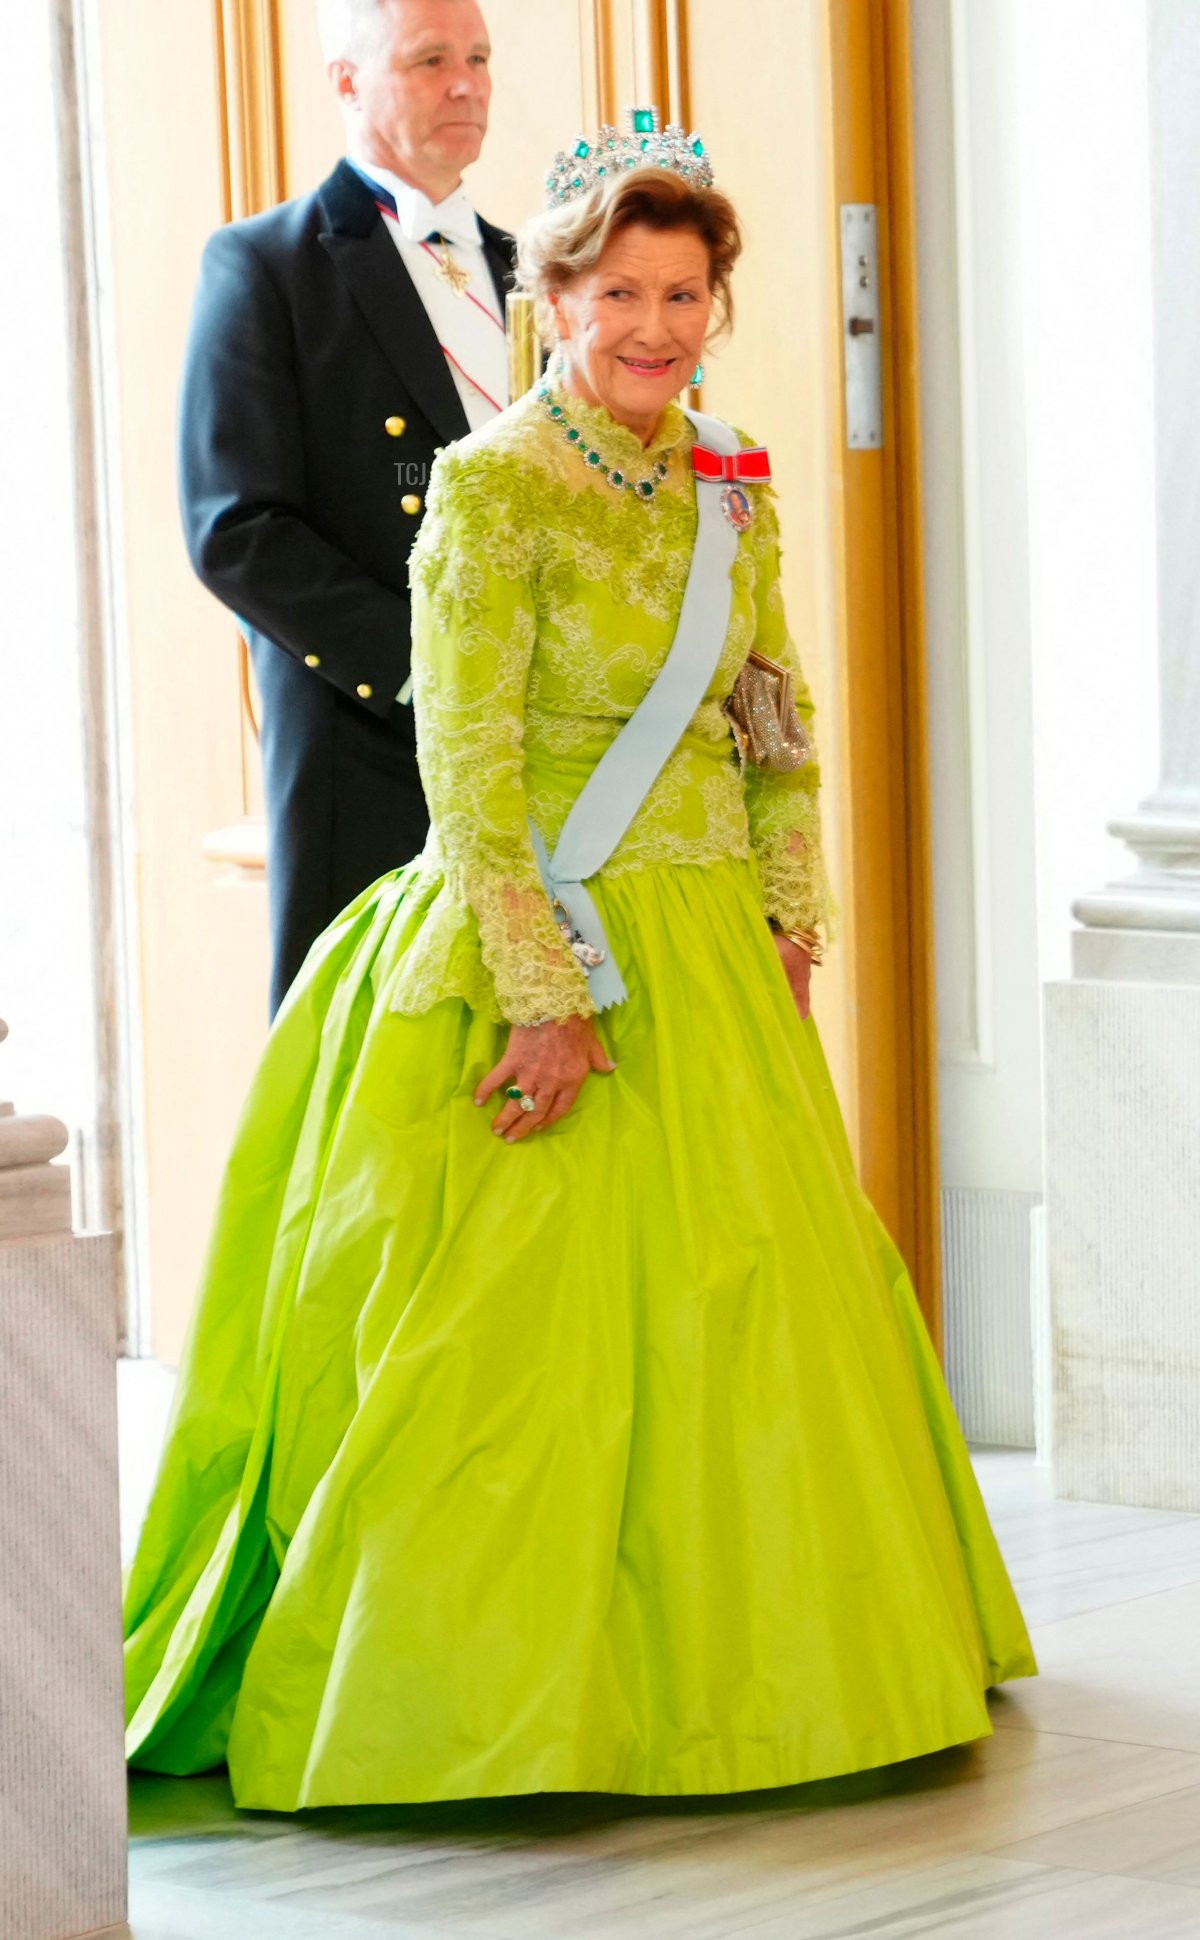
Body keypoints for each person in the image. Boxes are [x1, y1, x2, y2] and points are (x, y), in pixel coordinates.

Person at [126, 118, 1035, 1811]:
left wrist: (791, 912)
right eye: (621, 289)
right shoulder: (488, 492)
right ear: (555, 299)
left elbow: (773, 711)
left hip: (709, 949)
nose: (655, 326)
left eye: (685, 293)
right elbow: (465, 774)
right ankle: (492, 1699)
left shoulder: (730, 479)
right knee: (502, 1347)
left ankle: (762, 1677)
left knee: (751, 1321)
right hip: (536, 929)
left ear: (718, 304)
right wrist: (545, 998)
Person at [179, 0, 513, 1015]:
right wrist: (441, 673)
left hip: (542, 740)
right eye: (429, 61)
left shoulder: (535, 265)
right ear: (345, 82)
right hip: (369, 747)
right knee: (373, 1083)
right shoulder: (268, 265)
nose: (465, 83)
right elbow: (235, 528)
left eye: (478, 58)